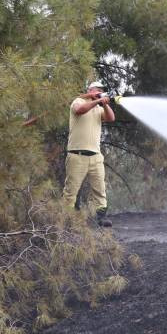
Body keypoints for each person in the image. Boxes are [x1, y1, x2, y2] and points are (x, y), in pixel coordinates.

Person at [62, 81, 115, 227]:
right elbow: (80, 110)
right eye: (98, 90)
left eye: (102, 90)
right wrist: (97, 100)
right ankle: (65, 220)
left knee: (100, 189)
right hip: (77, 155)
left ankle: (101, 217)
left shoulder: (99, 109)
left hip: (95, 156)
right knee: (71, 191)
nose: (100, 92)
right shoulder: (78, 101)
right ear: (90, 90)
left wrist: (105, 104)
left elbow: (111, 118)